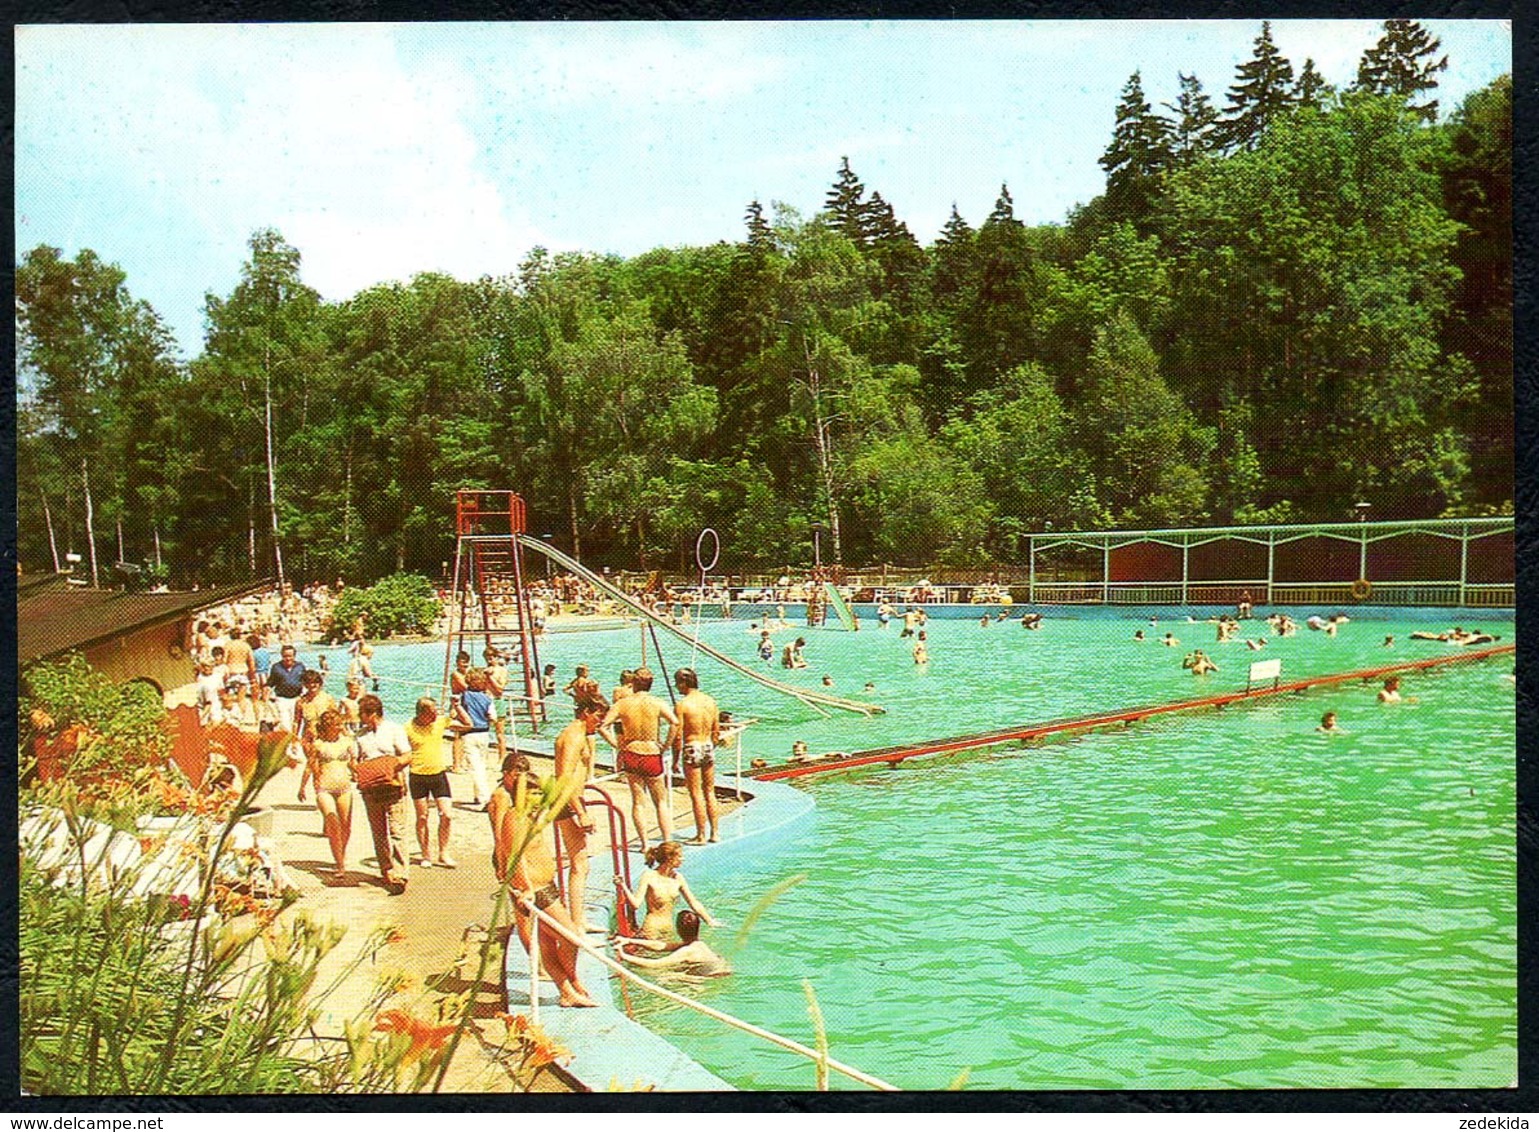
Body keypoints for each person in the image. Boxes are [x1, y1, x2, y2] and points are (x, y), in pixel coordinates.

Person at [489, 753, 598, 1008]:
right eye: (535, 796)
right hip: (535, 890)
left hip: (545, 886)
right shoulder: (514, 818)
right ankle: (570, 981)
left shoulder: (529, 817)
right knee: (571, 937)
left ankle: (567, 991)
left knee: (548, 945)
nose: (539, 801)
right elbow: (514, 855)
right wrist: (524, 888)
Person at [599, 667, 679, 853]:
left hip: (632, 752)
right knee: (661, 801)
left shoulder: (623, 704)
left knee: (638, 801)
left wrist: (617, 745)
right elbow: (674, 723)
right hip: (651, 751)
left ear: (633, 683)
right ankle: (667, 840)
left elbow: (603, 726)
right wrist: (666, 745)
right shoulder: (657, 703)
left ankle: (644, 844)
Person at [553, 693, 609, 934]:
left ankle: (578, 918)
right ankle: (576, 923)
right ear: (586, 712)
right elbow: (564, 778)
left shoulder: (579, 734)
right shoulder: (574, 736)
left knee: (581, 863)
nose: (600, 721)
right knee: (579, 863)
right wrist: (580, 812)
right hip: (568, 801)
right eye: (598, 716)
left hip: (573, 800)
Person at [353, 694, 413, 894]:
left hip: (393, 784)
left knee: (397, 830)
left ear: (372, 713)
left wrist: (386, 768)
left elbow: (407, 755)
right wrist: (361, 771)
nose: (359, 717)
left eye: (361, 713)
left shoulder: (394, 729)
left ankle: (400, 873)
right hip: (371, 787)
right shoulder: (360, 735)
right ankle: (386, 870)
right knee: (378, 832)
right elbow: (354, 759)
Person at [615, 840, 719, 943]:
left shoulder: (678, 877)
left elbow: (693, 902)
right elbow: (635, 904)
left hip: (669, 929)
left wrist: (709, 921)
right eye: (679, 856)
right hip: (652, 929)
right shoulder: (649, 875)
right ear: (670, 858)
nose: (683, 859)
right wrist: (623, 886)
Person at [297, 709, 356, 880]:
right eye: (337, 725)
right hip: (324, 789)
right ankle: (339, 864)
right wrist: (302, 787)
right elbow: (309, 766)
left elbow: (353, 764)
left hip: (344, 787)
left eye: (340, 724)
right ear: (328, 727)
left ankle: (340, 854)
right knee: (332, 821)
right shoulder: (318, 744)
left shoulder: (347, 742)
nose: (340, 727)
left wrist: (361, 774)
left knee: (346, 826)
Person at [671, 668, 721, 845]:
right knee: (710, 791)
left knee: (696, 793)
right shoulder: (710, 701)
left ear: (684, 683)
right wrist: (711, 746)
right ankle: (715, 832)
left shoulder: (682, 705)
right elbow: (716, 729)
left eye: (677, 683)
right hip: (707, 745)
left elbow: (677, 736)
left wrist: (675, 760)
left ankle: (700, 835)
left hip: (692, 746)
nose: (677, 687)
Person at [406, 696, 455, 868]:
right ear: (422, 713)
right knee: (422, 817)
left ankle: (443, 853)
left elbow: (468, 723)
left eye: (436, 711)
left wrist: (456, 706)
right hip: (418, 776)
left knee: (447, 815)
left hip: (438, 775)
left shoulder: (439, 722)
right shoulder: (408, 728)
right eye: (431, 712)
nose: (435, 714)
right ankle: (425, 854)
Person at [617, 911, 732, 977]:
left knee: (664, 977)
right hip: (721, 970)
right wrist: (630, 940)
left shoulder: (687, 951)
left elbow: (654, 964)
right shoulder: (698, 944)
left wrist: (624, 956)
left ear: (678, 929)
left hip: (710, 978)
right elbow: (661, 946)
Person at [454, 668, 502, 807]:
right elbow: (493, 718)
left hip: (469, 733)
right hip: (484, 733)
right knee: (481, 765)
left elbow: (456, 713)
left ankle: (484, 797)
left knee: (475, 767)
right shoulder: (487, 698)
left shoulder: (463, 696)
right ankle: (478, 795)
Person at [266, 645, 306, 735]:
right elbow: (270, 683)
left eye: (290, 656)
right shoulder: (276, 667)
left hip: (297, 699)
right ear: (282, 656)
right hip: (282, 699)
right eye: (285, 656)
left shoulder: (300, 666)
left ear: (294, 656)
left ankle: (295, 744)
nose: (288, 658)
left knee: (296, 725)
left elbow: (306, 681)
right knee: (285, 724)